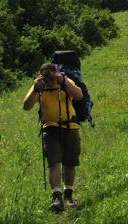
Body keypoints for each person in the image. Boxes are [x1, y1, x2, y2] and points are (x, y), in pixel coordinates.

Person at [23, 62, 83, 213]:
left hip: (70, 127)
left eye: (52, 77)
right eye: (46, 78)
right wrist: (35, 88)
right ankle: (57, 198)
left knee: (70, 162)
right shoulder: (39, 86)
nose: (49, 80)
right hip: (50, 129)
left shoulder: (65, 81)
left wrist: (63, 82)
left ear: (56, 74)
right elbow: (26, 106)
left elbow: (79, 95)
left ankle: (68, 194)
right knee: (54, 162)